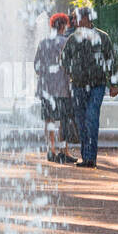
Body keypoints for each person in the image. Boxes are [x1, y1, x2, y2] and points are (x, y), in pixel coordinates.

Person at [60, 7, 118, 168]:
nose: (76, 22)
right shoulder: (73, 38)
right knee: (80, 121)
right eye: (75, 19)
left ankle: (90, 157)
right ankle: (86, 156)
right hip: (78, 85)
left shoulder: (102, 37)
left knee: (92, 118)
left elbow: (111, 60)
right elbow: (64, 59)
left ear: (88, 18)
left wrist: (114, 84)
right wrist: (73, 72)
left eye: (79, 18)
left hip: (97, 85)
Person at [34, 13, 74, 163]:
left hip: (46, 88)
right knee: (64, 121)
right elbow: (71, 65)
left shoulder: (43, 42)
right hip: (63, 88)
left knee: (49, 119)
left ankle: (50, 150)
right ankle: (64, 151)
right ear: (64, 26)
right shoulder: (67, 42)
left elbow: (36, 66)